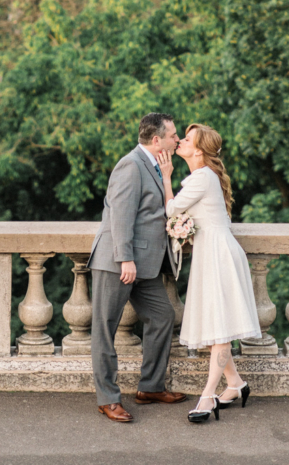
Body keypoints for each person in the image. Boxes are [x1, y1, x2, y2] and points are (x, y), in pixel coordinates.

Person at [87, 112, 188, 424]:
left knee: (162, 316)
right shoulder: (130, 164)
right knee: (105, 328)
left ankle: (151, 387)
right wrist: (125, 258)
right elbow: (120, 215)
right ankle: (108, 399)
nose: (178, 140)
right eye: (173, 135)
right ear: (156, 140)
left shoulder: (156, 165)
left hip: (144, 265)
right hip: (118, 262)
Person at [161, 122, 260, 423]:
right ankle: (235, 384)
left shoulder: (202, 177)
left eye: (186, 139)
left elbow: (172, 210)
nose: (180, 141)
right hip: (213, 253)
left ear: (199, 150)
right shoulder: (204, 176)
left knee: (219, 331)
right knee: (218, 327)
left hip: (219, 257)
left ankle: (207, 396)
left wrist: (166, 178)